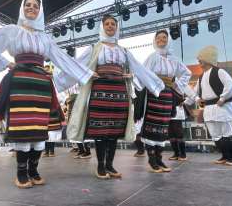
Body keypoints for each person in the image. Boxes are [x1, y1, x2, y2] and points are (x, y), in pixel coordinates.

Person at [0, 0, 95, 188]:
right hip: (20, 82)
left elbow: (63, 59)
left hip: (41, 84)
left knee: (40, 130)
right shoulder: (12, 30)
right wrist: (6, 63)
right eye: (28, 5)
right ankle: (21, 173)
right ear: (23, 9)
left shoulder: (45, 37)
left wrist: (88, 74)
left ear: (40, 11)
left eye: (35, 6)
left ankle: (34, 169)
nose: (31, 8)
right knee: (24, 128)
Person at [55, 14, 165, 179]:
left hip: (119, 94)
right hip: (100, 93)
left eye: (113, 24)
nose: (110, 26)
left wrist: (139, 79)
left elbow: (138, 68)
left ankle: (110, 166)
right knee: (100, 131)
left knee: (114, 131)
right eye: (106, 24)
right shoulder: (94, 48)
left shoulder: (124, 51)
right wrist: (86, 73)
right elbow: (77, 65)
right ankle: (100, 166)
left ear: (116, 27)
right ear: (102, 27)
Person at [136, 30, 191, 173]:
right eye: (159, 38)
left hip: (167, 95)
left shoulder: (174, 59)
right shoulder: (152, 57)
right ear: (155, 40)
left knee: (163, 126)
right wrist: (151, 85)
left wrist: (176, 85)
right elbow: (142, 74)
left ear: (168, 40)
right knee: (151, 125)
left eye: (164, 37)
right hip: (154, 94)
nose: (161, 40)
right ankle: (152, 159)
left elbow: (187, 73)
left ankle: (160, 159)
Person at [184, 46, 232, 166]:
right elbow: (196, 94)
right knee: (215, 134)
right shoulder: (201, 77)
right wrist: (185, 103)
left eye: (200, 60)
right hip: (209, 108)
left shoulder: (219, 71)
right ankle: (224, 156)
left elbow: (230, 85)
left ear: (207, 59)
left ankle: (231, 158)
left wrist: (222, 98)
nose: (198, 62)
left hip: (222, 107)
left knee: (227, 132)